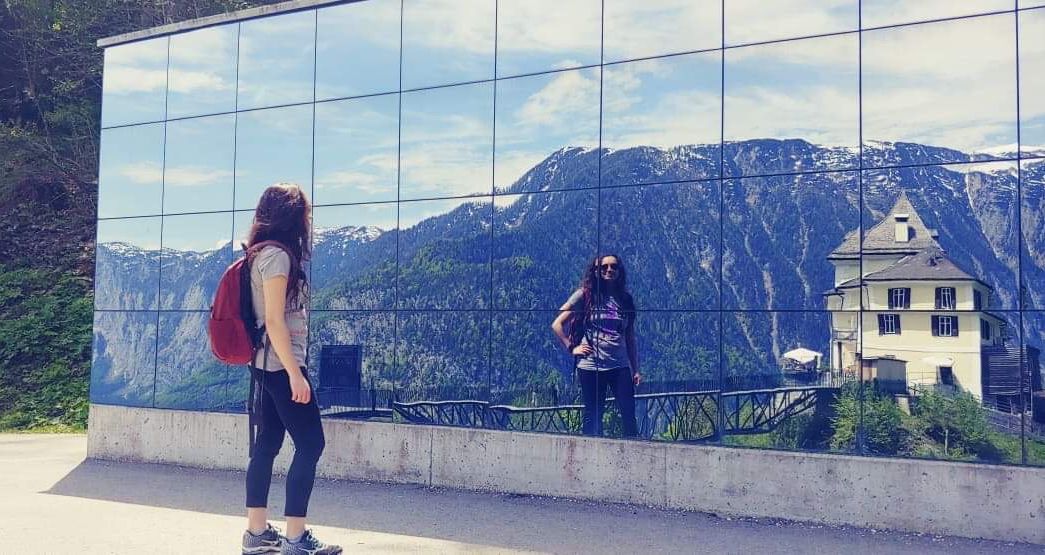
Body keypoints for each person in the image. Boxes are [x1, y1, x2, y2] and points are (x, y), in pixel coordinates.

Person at [240, 183, 341, 555]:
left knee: (267, 443)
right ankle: (296, 538)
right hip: (281, 366)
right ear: (292, 217)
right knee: (311, 443)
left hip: (262, 366)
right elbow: (275, 321)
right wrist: (295, 374)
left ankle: (257, 535)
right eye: (305, 215)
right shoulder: (278, 258)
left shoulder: (257, 253)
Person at [551, 254, 641, 438]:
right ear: (597, 272)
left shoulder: (625, 300)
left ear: (619, 270)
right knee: (593, 415)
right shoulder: (585, 295)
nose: (609, 270)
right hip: (591, 365)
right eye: (604, 267)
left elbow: (630, 337)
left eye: (613, 267)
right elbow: (557, 323)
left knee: (629, 414)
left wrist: (636, 369)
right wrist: (572, 348)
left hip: (619, 364)